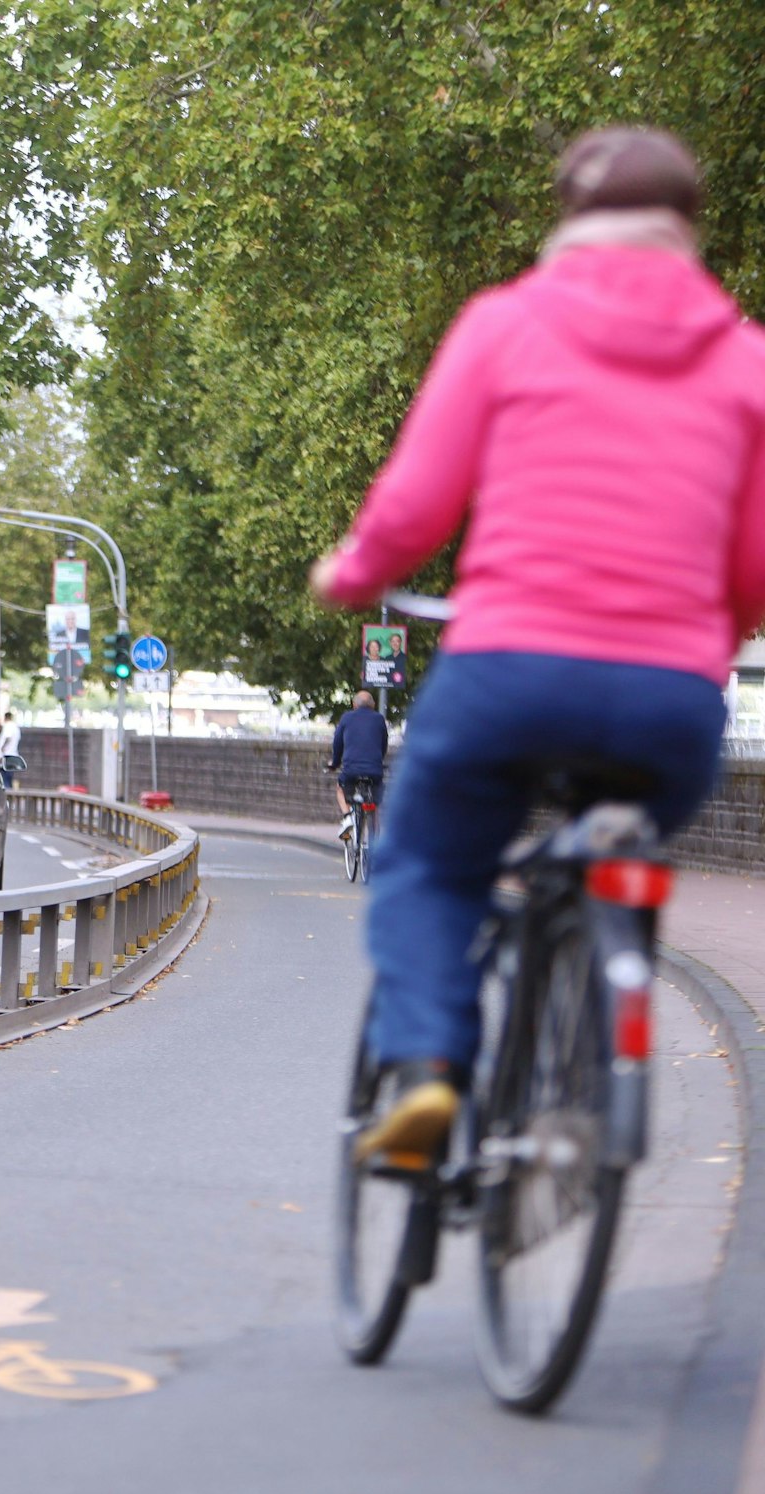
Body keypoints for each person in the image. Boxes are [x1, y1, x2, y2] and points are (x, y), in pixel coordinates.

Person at [309, 127, 765, 1161]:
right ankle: (593, 1041)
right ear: (687, 228)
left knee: (426, 862)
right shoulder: (747, 364)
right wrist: (701, 633)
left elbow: (415, 504)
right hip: (669, 703)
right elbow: (753, 566)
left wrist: (349, 575)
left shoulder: (503, 327)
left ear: (567, 216)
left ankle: (426, 1070)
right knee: (626, 829)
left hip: (505, 671)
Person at [326, 690, 388, 839]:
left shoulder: (346, 718)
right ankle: (374, 844)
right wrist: (378, 761)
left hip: (351, 770)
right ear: (373, 705)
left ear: (354, 705)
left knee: (341, 788)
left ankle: (347, 817)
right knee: (374, 803)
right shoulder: (379, 719)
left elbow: (337, 744)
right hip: (375, 771)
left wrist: (334, 763)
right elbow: (383, 745)